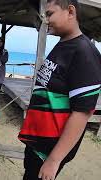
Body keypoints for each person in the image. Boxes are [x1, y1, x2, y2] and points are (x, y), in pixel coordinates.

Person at [18, 0, 101, 180]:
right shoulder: (63, 44)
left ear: (70, 12)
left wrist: (54, 160)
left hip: (49, 149)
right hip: (38, 141)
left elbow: (82, 113)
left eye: (49, 14)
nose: (46, 20)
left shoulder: (85, 53)